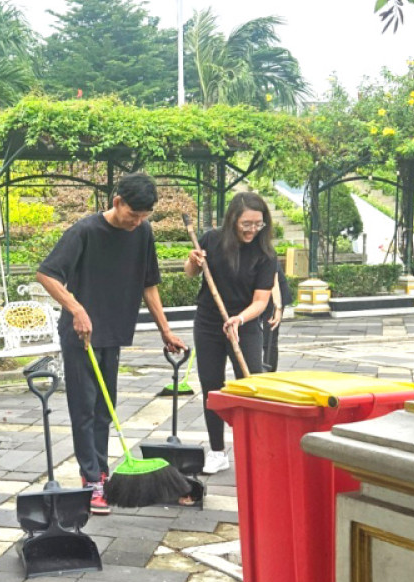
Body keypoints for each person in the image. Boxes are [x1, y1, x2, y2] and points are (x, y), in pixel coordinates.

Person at [37, 172, 186, 515]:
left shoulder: (142, 233)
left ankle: (100, 471)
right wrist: (76, 308)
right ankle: (90, 480)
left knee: (106, 408)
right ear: (117, 201)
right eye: (132, 215)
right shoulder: (85, 231)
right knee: (85, 407)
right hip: (81, 334)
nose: (136, 223)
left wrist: (165, 329)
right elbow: (46, 274)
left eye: (143, 218)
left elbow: (150, 284)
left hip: (113, 330)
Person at [185, 192, 276, 474]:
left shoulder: (266, 255)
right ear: (233, 219)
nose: (252, 230)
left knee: (250, 386)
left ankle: (256, 447)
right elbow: (190, 273)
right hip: (209, 322)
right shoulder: (212, 239)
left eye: (257, 224)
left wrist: (239, 319)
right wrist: (193, 261)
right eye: (246, 224)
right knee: (211, 385)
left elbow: (261, 302)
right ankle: (216, 451)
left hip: (245, 325)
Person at [261, 258, 290, 372]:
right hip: (260, 292)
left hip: (275, 296)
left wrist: (277, 307)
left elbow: (274, 282)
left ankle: (269, 372)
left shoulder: (266, 252)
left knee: (270, 338)